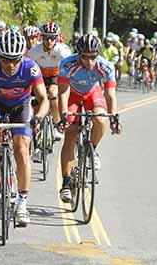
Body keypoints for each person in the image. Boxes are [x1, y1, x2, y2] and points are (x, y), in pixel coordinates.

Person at [0, 31, 49, 226]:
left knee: (22, 150)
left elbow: (43, 99)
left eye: (15, 60)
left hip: (21, 106)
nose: (10, 65)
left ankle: (22, 203)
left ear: (22, 57)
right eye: (6, 60)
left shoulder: (30, 68)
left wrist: (39, 117)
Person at [57, 34, 120, 203]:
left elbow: (110, 95)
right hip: (72, 94)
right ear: (79, 54)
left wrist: (113, 117)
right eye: (85, 57)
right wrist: (64, 115)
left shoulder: (106, 66)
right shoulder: (67, 64)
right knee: (70, 132)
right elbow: (62, 92)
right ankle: (66, 182)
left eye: (93, 57)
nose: (90, 61)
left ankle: (92, 149)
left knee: (100, 119)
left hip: (93, 93)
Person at [29, 21, 71, 144]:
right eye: (46, 37)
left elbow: (69, 70)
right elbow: (28, 68)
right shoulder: (34, 51)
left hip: (56, 76)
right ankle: (37, 133)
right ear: (42, 37)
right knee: (37, 102)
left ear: (57, 38)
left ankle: (58, 124)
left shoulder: (63, 51)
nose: (49, 41)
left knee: (53, 94)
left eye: (53, 38)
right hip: (39, 76)